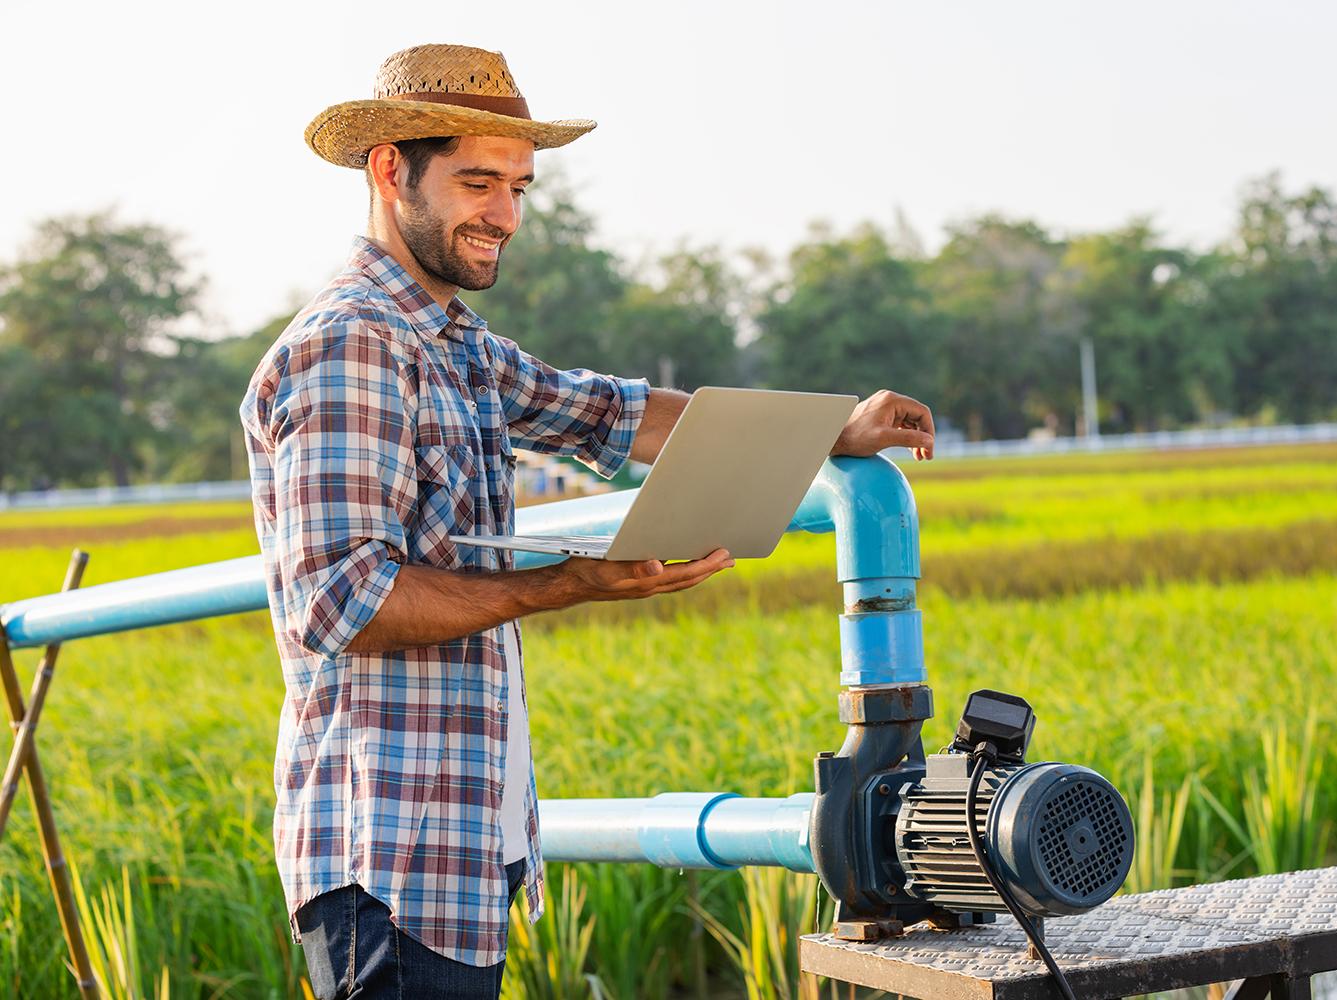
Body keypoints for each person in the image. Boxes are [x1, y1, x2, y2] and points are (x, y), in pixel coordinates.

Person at [239, 42, 937, 1000]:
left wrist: (832, 429)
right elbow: (339, 601)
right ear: (390, 168)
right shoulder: (352, 344)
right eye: (478, 183)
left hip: (454, 848)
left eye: (521, 187)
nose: (506, 215)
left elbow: (612, 412)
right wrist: (574, 581)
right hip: (389, 852)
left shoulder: (454, 341)